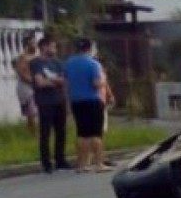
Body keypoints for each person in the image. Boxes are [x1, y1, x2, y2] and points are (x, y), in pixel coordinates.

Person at [64, 38, 112, 173]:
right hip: (92, 100)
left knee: (82, 133)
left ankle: (81, 165)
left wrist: (68, 101)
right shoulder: (94, 64)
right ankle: (99, 163)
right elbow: (96, 83)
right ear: (89, 48)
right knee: (96, 133)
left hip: (76, 101)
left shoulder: (69, 63)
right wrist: (103, 80)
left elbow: (65, 84)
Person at [29, 37, 70, 174]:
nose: (54, 49)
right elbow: (40, 83)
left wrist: (51, 80)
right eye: (52, 46)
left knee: (61, 131)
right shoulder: (36, 63)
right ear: (44, 47)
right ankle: (46, 162)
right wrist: (54, 81)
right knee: (45, 132)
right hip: (45, 101)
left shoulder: (58, 63)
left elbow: (64, 80)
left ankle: (60, 159)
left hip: (59, 100)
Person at [14, 33, 39, 135]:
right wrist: (32, 81)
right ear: (27, 45)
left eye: (35, 43)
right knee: (31, 112)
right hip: (26, 87)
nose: (34, 45)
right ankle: (33, 133)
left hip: (36, 86)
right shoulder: (23, 57)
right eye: (32, 43)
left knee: (35, 111)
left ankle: (34, 132)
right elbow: (21, 73)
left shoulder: (37, 57)